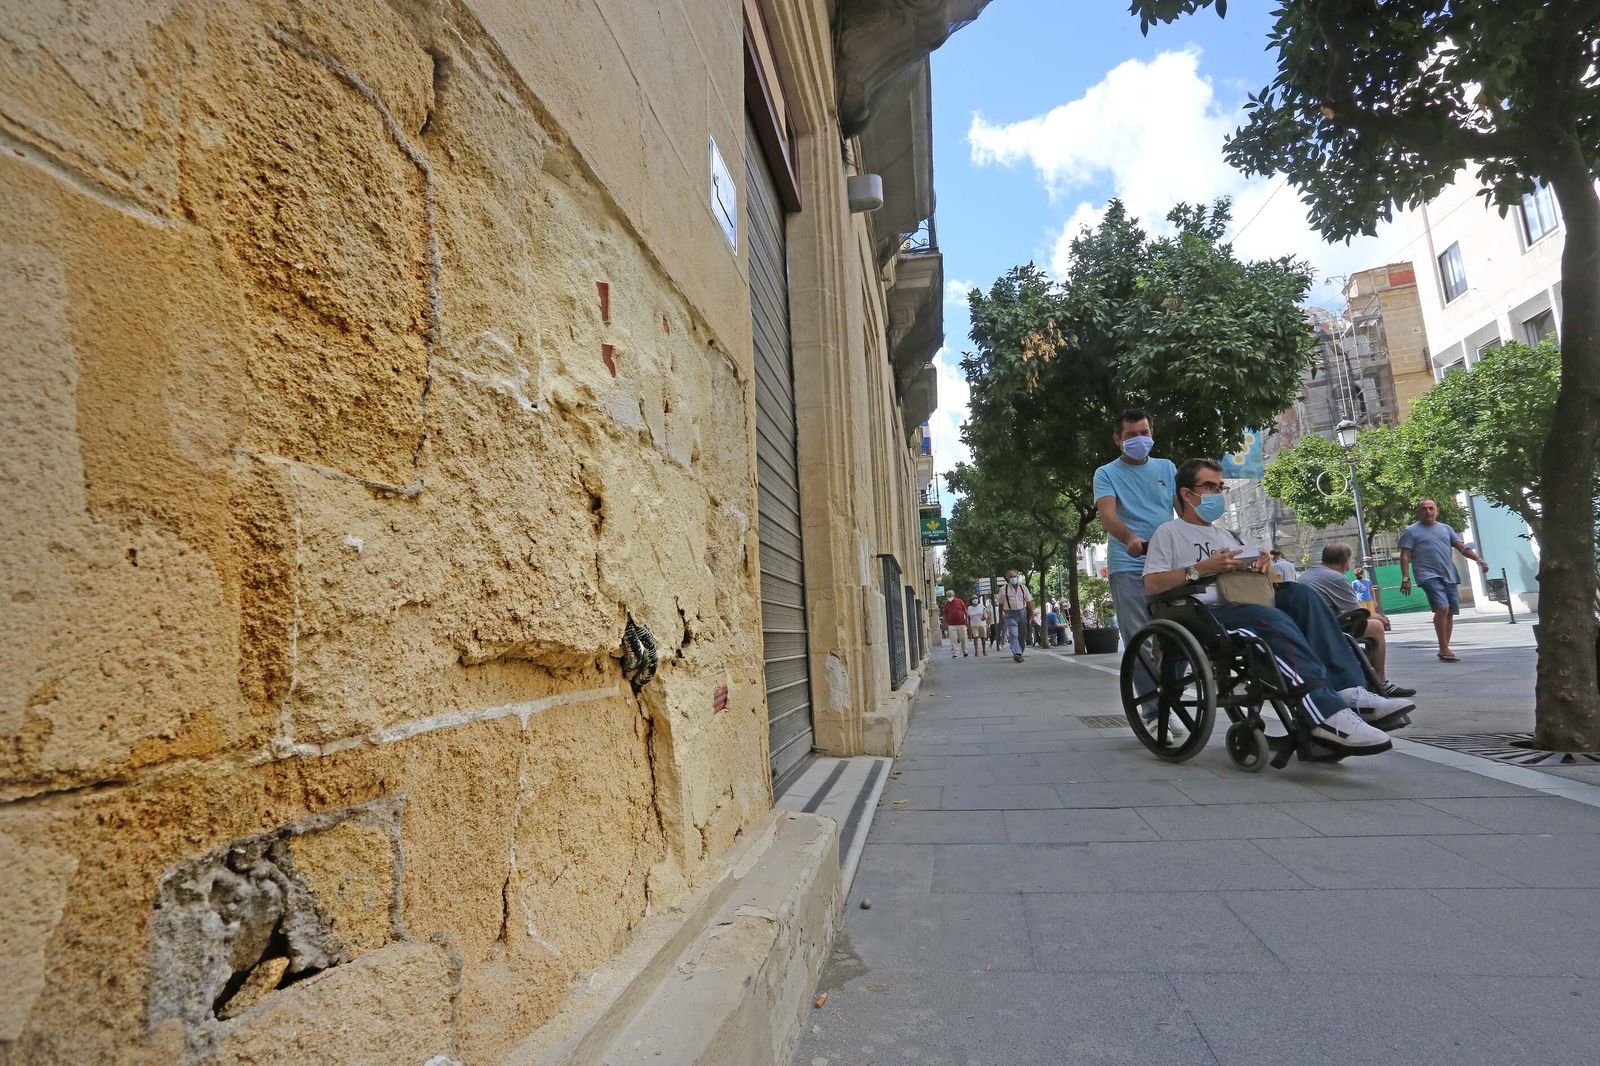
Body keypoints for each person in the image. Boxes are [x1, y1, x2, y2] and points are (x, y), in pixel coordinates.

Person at [1142, 459, 1414, 753]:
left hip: (1244, 600)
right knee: (1270, 618)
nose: (1217, 492)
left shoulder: (1227, 535)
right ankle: (1324, 713)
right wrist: (1201, 568)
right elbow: (1152, 585)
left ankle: (1349, 692)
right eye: (1209, 486)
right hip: (1202, 613)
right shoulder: (1168, 533)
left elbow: (1268, 580)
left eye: (1220, 486)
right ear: (1187, 494)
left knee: (1302, 596)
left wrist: (1262, 564)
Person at [1093, 408, 1178, 713]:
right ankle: (1154, 711)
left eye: (1145, 433)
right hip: (1129, 563)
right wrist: (1129, 538)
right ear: (1118, 439)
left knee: (1178, 637)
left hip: (1168, 562)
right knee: (1140, 639)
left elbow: (1184, 509)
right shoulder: (1106, 473)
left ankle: (1171, 695)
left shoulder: (1168, 468)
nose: (1140, 439)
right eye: (1132, 435)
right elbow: (1108, 514)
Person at [1297, 543, 1416, 698]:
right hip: (1329, 628)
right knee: (1377, 626)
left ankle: (1368, 676)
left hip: (1311, 626)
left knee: (1372, 624)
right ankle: (1381, 681)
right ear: (1346, 563)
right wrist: (1380, 617)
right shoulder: (1335, 577)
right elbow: (1356, 612)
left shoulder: (1306, 575)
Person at [1399, 499, 1489, 662]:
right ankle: (1443, 647)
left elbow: (1461, 547)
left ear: (1437, 510)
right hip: (1427, 574)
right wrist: (1406, 578)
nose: (1428, 511)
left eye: (1431, 508)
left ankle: (1445, 648)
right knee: (1442, 607)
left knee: (1450, 612)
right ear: (1417, 512)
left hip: (1449, 574)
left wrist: (1478, 559)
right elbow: (1404, 555)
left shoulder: (1446, 529)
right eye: (1424, 509)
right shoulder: (1411, 531)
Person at [998, 569, 1033, 663]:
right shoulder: (1003, 589)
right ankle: (1017, 653)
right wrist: (1001, 616)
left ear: (1018, 577)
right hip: (1010, 613)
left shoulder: (1023, 588)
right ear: (1008, 578)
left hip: (1022, 612)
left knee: (1022, 635)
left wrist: (1032, 616)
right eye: (1011, 577)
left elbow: (1029, 602)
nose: (1014, 578)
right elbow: (1000, 604)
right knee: (1013, 634)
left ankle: (1020, 652)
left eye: (1015, 576)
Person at [942, 592, 970, 659]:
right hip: (951, 624)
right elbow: (945, 614)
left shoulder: (960, 601)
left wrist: (967, 620)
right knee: (953, 639)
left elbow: (965, 610)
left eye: (950, 595)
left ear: (954, 595)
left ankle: (965, 651)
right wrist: (944, 623)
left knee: (963, 638)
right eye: (948, 596)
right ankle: (955, 653)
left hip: (961, 623)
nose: (949, 597)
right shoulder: (946, 604)